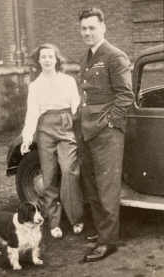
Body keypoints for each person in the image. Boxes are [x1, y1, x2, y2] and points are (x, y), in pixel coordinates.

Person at [73, 8, 134, 261]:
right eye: (84, 28)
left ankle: (108, 242)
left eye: (92, 28)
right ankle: (101, 231)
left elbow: (125, 95)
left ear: (103, 28)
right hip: (87, 130)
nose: (87, 32)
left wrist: (110, 123)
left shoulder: (114, 56)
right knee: (92, 185)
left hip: (106, 132)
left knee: (107, 188)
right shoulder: (86, 57)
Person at [20, 43, 84, 238]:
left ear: (57, 59)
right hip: (45, 128)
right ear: (38, 61)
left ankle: (76, 218)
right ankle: (54, 223)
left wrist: (79, 131)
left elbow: (77, 108)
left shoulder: (68, 81)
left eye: (50, 56)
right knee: (49, 177)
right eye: (43, 57)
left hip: (66, 125)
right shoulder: (35, 86)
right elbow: (32, 113)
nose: (47, 60)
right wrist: (26, 137)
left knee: (69, 171)